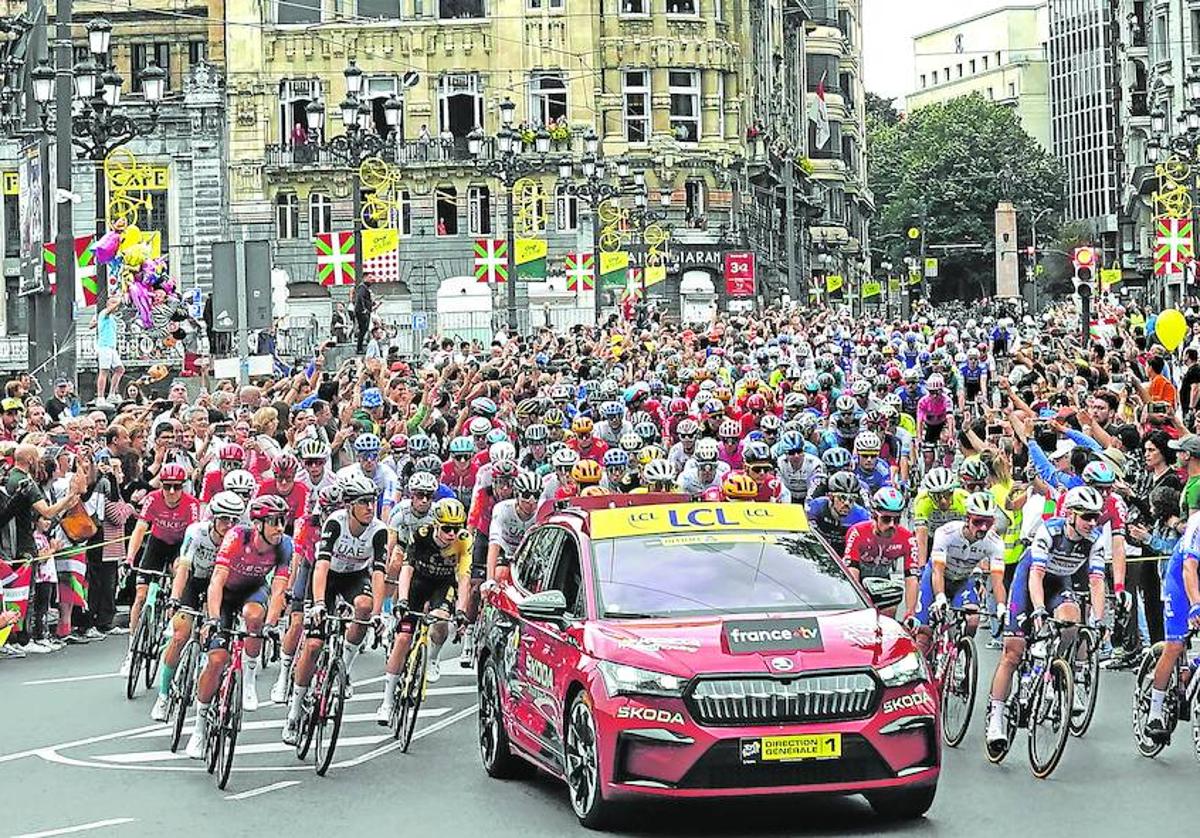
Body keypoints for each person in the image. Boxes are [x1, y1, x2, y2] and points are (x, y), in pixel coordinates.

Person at [985, 486, 1107, 755]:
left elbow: (1097, 582)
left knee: (1071, 620)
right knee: (1013, 651)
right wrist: (1038, 610)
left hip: (1060, 582)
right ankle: (996, 717)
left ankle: (1055, 670)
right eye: (1087, 516)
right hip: (1031, 579)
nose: (1092, 523)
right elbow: (1036, 576)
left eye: (1096, 517)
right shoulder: (1049, 531)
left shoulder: (1095, 539)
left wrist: (1098, 620)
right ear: (1071, 515)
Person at [184, 495, 292, 758]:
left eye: (283, 521)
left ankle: (250, 680)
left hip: (253, 591)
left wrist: (272, 624)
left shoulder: (284, 545)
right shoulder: (236, 537)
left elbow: (278, 589)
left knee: (254, 617)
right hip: (225, 595)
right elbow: (217, 581)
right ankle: (199, 728)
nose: (281, 527)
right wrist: (211, 619)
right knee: (217, 659)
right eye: (275, 522)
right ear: (258, 525)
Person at [282, 475, 386, 745]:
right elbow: (321, 566)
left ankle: (346, 669)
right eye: (363, 502)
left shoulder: (378, 530)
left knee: (363, 606)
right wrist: (317, 604)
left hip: (354, 578)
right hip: (326, 579)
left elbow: (378, 573)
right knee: (315, 645)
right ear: (350, 505)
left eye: (372, 501)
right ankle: (295, 710)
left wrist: (377, 613)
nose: (369, 507)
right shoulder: (335, 523)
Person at [150, 491, 245, 721]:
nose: (228, 525)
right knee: (180, 635)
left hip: (221, 588)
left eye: (234, 520)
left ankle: (204, 673)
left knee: (214, 637)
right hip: (194, 582)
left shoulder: (239, 539)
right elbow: (183, 568)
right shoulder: (196, 532)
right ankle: (163, 696)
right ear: (213, 518)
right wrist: (174, 597)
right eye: (224, 519)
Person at [375, 498, 471, 724]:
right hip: (418, 582)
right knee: (403, 639)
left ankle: (433, 659)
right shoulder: (421, 534)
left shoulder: (465, 541)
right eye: (447, 528)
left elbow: (464, 578)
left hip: (442, 585)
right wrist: (403, 600)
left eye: (457, 528)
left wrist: (461, 611)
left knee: (440, 622)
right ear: (436, 525)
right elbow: (406, 570)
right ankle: (387, 702)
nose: (452, 534)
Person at [93, 295, 124, 406]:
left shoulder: (110, 317)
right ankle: (100, 397)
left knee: (120, 369)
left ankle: (111, 394)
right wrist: (119, 299)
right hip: (104, 346)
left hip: (112, 347)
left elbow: (92, 325)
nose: (116, 305)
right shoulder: (104, 313)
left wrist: (95, 323)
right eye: (113, 303)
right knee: (104, 371)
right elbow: (108, 311)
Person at [354, 282, 375, 353]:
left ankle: (360, 347)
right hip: (362, 312)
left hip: (365, 312)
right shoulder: (362, 288)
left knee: (364, 329)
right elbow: (360, 298)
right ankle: (359, 348)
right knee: (363, 329)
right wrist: (364, 309)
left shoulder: (364, 289)